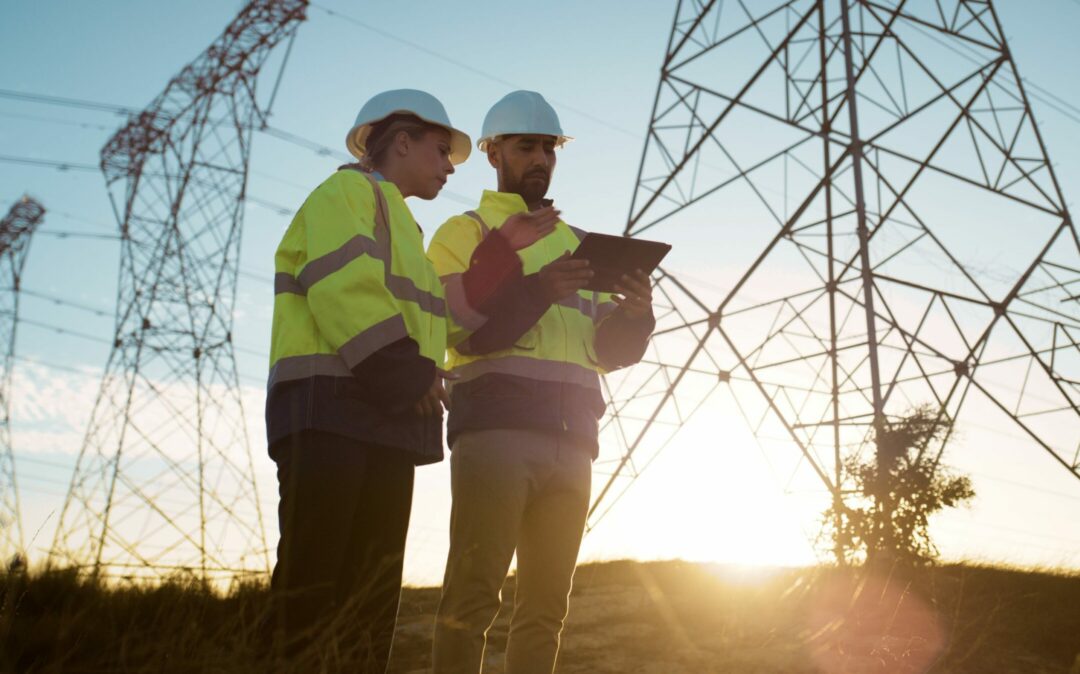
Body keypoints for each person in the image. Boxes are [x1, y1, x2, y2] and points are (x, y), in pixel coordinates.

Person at [427, 90, 656, 674]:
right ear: (492, 154)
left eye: (548, 148)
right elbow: (459, 329)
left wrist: (636, 315)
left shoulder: (579, 244)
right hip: (495, 436)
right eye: (525, 146)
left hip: (574, 442)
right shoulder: (463, 233)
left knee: (547, 611)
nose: (540, 159)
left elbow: (608, 351)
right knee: (473, 598)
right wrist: (537, 290)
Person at [265, 89, 477, 671]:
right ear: (400, 141)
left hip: (385, 417)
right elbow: (344, 287)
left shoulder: (405, 227)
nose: (451, 164)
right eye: (440, 149)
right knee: (313, 592)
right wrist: (410, 376)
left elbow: (428, 325)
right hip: (329, 410)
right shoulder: (344, 193)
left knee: (370, 599)